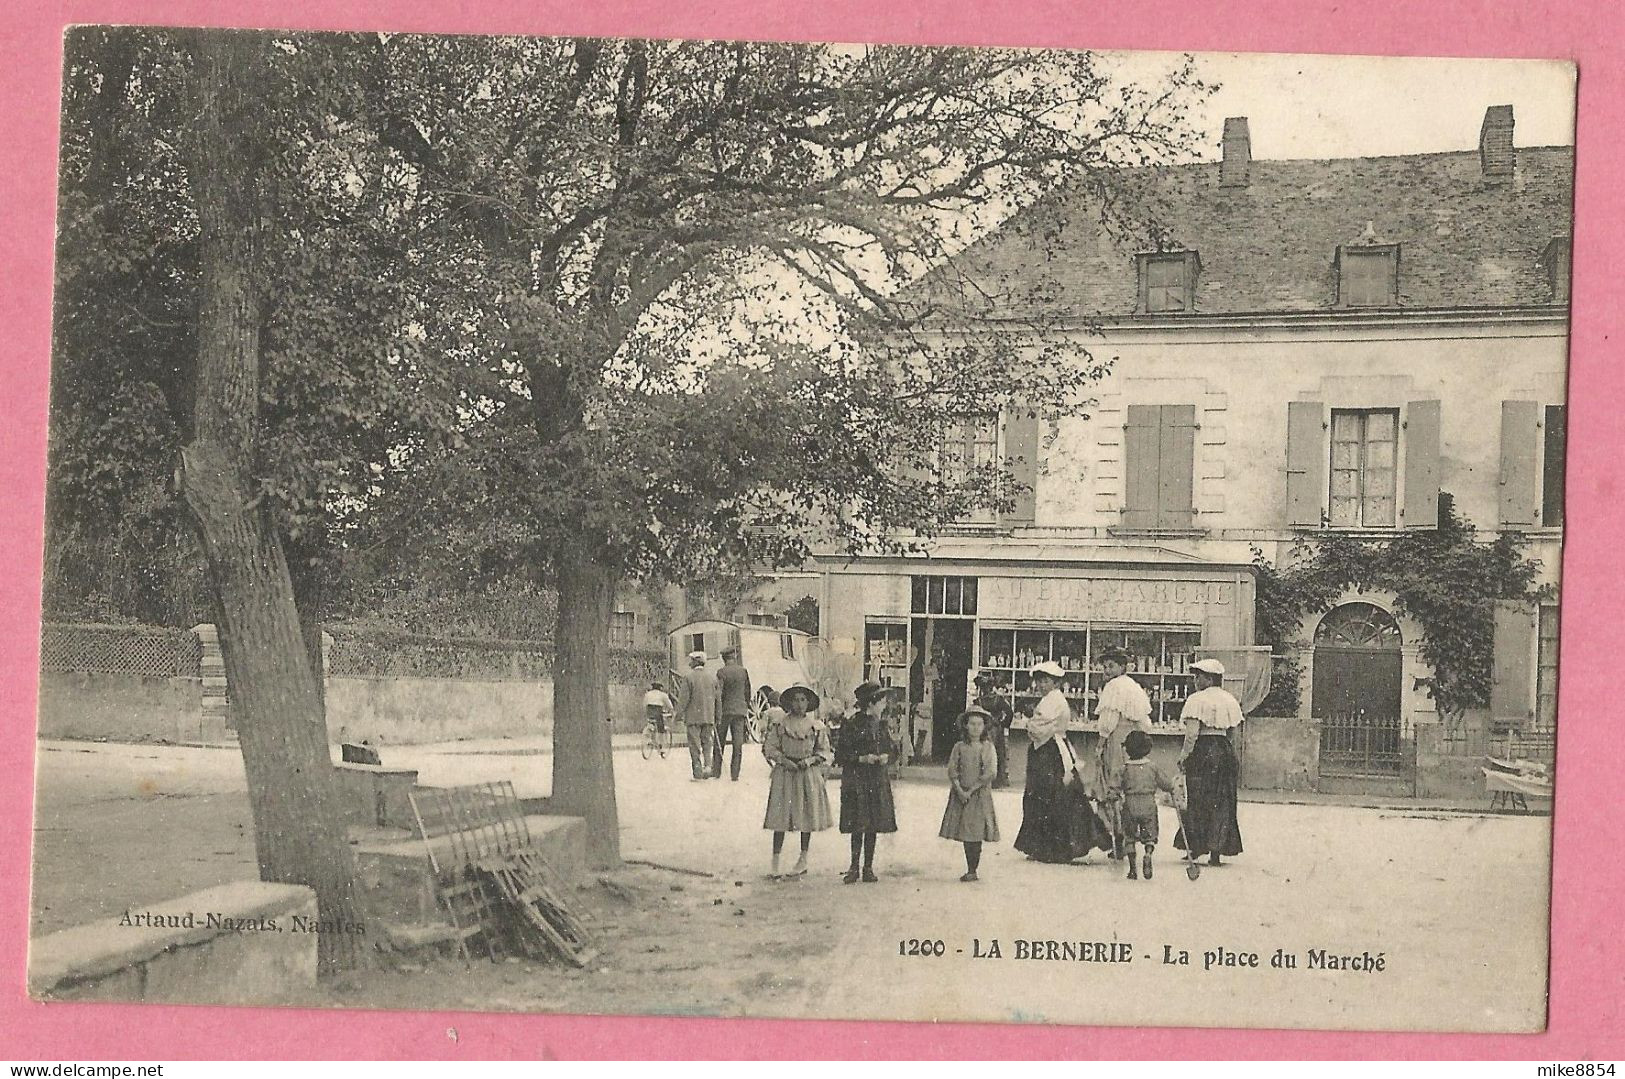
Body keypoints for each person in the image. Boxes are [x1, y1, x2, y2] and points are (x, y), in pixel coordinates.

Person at [1013, 661, 1110, 863]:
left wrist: (1030, 724)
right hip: (1050, 749)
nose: (1040, 685)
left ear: (1055, 682)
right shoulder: (1051, 699)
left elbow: (1037, 728)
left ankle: (1056, 847)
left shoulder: (1053, 700)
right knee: (1045, 796)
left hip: (1051, 752)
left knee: (1052, 796)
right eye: (1038, 681)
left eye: (1045, 681)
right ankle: (1045, 846)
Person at [1175, 658, 1245, 866]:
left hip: (1203, 752)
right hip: (1223, 751)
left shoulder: (1196, 700)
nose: (1196, 681)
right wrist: (1228, 752)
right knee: (1222, 802)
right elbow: (1234, 732)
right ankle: (1216, 851)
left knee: (1198, 799)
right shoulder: (1229, 700)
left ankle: (1197, 846)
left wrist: (1184, 756)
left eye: (1199, 677)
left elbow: (1192, 734)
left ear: (1210, 678)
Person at [761, 684, 833, 879]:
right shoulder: (780, 724)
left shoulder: (815, 725)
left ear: (808, 703)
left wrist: (809, 761)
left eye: (803, 700)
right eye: (795, 700)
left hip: (806, 773)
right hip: (785, 773)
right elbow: (770, 748)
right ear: (789, 703)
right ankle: (775, 861)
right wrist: (784, 760)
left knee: (805, 816)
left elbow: (824, 751)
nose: (799, 704)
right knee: (780, 816)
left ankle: (803, 859)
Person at [835, 681, 899, 883]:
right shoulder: (852, 724)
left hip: (877, 779)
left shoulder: (881, 725)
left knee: (873, 822)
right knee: (858, 823)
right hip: (857, 779)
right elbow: (841, 754)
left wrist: (887, 757)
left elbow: (891, 750)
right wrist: (862, 758)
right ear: (870, 703)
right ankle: (853, 866)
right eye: (881, 701)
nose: (884, 705)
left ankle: (868, 867)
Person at [1094, 648, 1153, 857]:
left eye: (1111, 666)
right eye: (1104, 666)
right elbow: (1145, 722)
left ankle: (1119, 840)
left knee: (1113, 787)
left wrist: (1100, 745)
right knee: (1130, 788)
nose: (1106, 670)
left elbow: (1107, 721)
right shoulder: (1135, 687)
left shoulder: (1113, 688)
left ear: (1122, 667)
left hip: (1116, 740)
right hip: (1134, 743)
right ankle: (1131, 839)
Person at [939, 706, 1001, 882]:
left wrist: (971, 790)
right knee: (966, 832)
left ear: (984, 727)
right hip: (961, 794)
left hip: (979, 795)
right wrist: (959, 789)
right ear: (965, 726)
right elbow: (952, 769)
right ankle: (969, 868)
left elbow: (990, 773)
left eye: (979, 724)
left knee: (976, 832)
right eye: (972, 724)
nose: (975, 728)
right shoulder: (959, 747)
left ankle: (973, 869)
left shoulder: (987, 747)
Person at [1109, 729, 1175, 881]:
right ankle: (1148, 853)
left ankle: (1132, 869)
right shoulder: (1152, 767)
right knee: (1150, 833)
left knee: (1129, 836)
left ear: (1127, 749)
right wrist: (1171, 788)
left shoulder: (1123, 768)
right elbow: (1167, 784)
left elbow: (1114, 787)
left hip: (1130, 804)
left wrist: (1113, 796)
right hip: (1148, 804)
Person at [676, 650, 718, 781]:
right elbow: (717, 699)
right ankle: (708, 767)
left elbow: (684, 699)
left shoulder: (688, 678)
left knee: (694, 745)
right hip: (709, 716)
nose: (690, 663)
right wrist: (717, 715)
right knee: (707, 742)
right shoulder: (712, 678)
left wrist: (678, 714)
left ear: (696, 662)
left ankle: (698, 771)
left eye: (691, 661)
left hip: (693, 717)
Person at [714, 646, 753, 781]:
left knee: (719, 741)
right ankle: (735, 774)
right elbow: (748, 691)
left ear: (723, 659)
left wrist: (717, 710)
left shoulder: (721, 672)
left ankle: (717, 771)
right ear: (734, 657)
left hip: (725, 711)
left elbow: (719, 693)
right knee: (738, 743)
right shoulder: (743, 671)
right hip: (740, 711)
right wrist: (745, 705)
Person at [973, 671, 1014, 788]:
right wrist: (1004, 724)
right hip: (996, 729)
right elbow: (1009, 712)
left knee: (984, 754)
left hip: (984, 730)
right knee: (997, 753)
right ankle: (997, 780)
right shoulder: (999, 699)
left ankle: (984, 779)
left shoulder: (978, 701)